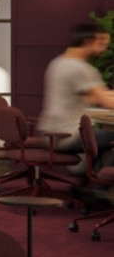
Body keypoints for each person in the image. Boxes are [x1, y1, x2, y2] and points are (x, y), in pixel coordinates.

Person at [39, 23, 114, 166]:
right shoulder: (80, 68)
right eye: (102, 43)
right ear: (88, 41)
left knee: (100, 137)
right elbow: (106, 101)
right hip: (69, 136)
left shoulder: (58, 63)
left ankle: (88, 183)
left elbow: (95, 96)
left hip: (52, 134)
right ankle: (102, 187)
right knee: (104, 138)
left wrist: (105, 96)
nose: (104, 49)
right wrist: (105, 97)